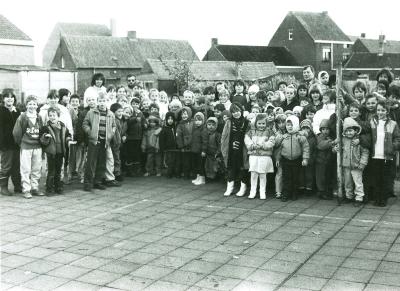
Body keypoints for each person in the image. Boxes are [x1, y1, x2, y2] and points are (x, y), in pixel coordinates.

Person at [368, 101, 400, 207]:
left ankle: (383, 199)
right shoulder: (372, 121)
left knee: (385, 178)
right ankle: (377, 198)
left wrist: (393, 147)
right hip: (375, 155)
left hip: (387, 156)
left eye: (383, 110)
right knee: (376, 177)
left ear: (387, 111)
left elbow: (397, 138)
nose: (380, 112)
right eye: (378, 110)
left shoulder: (393, 124)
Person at [82, 92, 116, 191]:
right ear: (97, 102)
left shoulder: (110, 114)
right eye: (100, 101)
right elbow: (85, 124)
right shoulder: (91, 112)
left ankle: (98, 181)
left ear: (107, 102)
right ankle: (87, 183)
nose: (102, 103)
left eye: (104, 101)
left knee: (102, 162)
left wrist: (111, 134)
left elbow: (114, 126)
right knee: (91, 162)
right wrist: (90, 132)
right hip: (94, 141)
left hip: (105, 141)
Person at [13, 95, 44, 198]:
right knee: (25, 168)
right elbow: (17, 132)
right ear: (26, 105)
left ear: (37, 105)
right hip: (26, 146)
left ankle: (35, 187)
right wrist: (21, 143)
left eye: (34, 104)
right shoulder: (23, 117)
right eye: (30, 104)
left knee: (36, 168)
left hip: (37, 146)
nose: (32, 106)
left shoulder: (39, 117)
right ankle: (26, 189)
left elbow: (42, 131)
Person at [276, 115, 309, 201]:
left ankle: (295, 193)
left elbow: (306, 148)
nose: (289, 127)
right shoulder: (284, 137)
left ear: (296, 125)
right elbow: (279, 149)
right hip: (286, 160)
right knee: (286, 177)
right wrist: (278, 159)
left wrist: (305, 159)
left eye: (291, 125)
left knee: (295, 177)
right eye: (288, 125)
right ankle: (286, 193)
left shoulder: (300, 136)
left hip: (296, 160)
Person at [40, 106, 71, 195]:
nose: (52, 117)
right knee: (51, 171)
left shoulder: (63, 126)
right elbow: (41, 138)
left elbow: (67, 135)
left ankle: (58, 187)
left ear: (58, 116)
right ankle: (49, 188)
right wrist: (45, 136)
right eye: (50, 115)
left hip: (60, 152)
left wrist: (68, 139)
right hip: (51, 152)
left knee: (58, 170)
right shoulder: (46, 127)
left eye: (54, 115)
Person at [221, 103, 249, 196]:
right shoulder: (229, 122)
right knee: (231, 168)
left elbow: (249, 135)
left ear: (241, 110)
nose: (236, 113)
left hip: (243, 149)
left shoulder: (246, 122)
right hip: (231, 150)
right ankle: (229, 187)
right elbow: (224, 136)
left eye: (237, 111)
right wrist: (224, 148)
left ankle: (243, 188)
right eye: (233, 112)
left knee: (243, 168)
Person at [244, 113, 275, 199]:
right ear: (256, 123)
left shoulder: (269, 131)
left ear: (266, 123)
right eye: (259, 123)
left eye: (263, 123)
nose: (261, 125)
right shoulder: (251, 131)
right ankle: (253, 191)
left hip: (264, 156)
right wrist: (252, 146)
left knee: (262, 174)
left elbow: (272, 142)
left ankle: (262, 191)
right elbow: (247, 139)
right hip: (254, 155)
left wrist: (262, 145)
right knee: (253, 173)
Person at [339, 117, 369, 206]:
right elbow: (338, 149)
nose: (349, 133)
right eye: (346, 131)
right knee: (347, 182)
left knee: (358, 182)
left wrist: (363, 163)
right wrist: (335, 148)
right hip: (346, 165)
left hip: (356, 165)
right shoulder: (343, 140)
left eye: (350, 130)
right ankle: (349, 196)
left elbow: (365, 152)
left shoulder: (359, 140)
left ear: (355, 130)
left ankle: (359, 197)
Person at [0, 89, 21, 195]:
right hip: (5, 144)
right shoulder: (1, 111)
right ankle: (3, 187)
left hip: (17, 144)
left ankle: (17, 186)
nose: (9, 99)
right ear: (3, 99)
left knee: (16, 166)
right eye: (7, 97)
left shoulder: (18, 111)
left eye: (12, 97)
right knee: (6, 166)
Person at [125, 97, 146, 176]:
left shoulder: (141, 113)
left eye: (137, 104)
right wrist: (135, 119)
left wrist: (145, 124)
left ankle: (136, 170)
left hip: (138, 137)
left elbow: (144, 121)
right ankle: (129, 171)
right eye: (133, 104)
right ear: (131, 104)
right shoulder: (130, 112)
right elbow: (128, 121)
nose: (135, 106)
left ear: (139, 105)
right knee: (130, 153)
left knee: (137, 153)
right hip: (131, 137)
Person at [315, 119, 335, 200]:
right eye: (323, 129)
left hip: (327, 161)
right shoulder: (320, 137)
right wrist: (331, 143)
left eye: (327, 129)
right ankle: (321, 191)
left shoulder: (329, 137)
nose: (325, 131)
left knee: (327, 177)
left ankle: (326, 191)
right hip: (320, 161)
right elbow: (321, 145)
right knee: (320, 177)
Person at [110, 103, 127, 181]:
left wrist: (124, 135)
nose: (121, 113)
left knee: (117, 158)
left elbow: (122, 131)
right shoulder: (114, 120)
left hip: (118, 142)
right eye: (119, 111)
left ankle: (117, 172)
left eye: (121, 111)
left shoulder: (121, 120)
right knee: (116, 158)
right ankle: (117, 173)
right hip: (115, 143)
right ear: (113, 112)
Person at [176, 106, 194, 179]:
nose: (184, 116)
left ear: (189, 114)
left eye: (186, 114)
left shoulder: (193, 123)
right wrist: (181, 146)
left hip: (193, 146)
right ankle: (186, 174)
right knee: (185, 161)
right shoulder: (180, 125)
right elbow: (178, 136)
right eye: (183, 114)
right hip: (185, 147)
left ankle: (193, 174)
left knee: (192, 161)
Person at [190, 112, 207, 185]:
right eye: (196, 120)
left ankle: (202, 179)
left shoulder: (203, 130)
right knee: (196, 165)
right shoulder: (194, 129)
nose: (197, 122)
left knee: (201, 165)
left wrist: (204, 150)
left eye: (199, 120)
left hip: (200, 151)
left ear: (203, 121)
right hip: (195, 150)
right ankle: (198, 177)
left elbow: (205, 141)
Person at [160, 112, 178, 178]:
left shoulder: (175, 128)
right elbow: (161, 140)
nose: (170, 120)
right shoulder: (164, 129)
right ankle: (169, 174)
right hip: (168, 149)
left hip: (175, 148)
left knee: (174, 161)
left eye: (172, 119)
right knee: (169, 161)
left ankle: (174, 172)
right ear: (166, 120)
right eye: (169, 119)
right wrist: (162, 148)